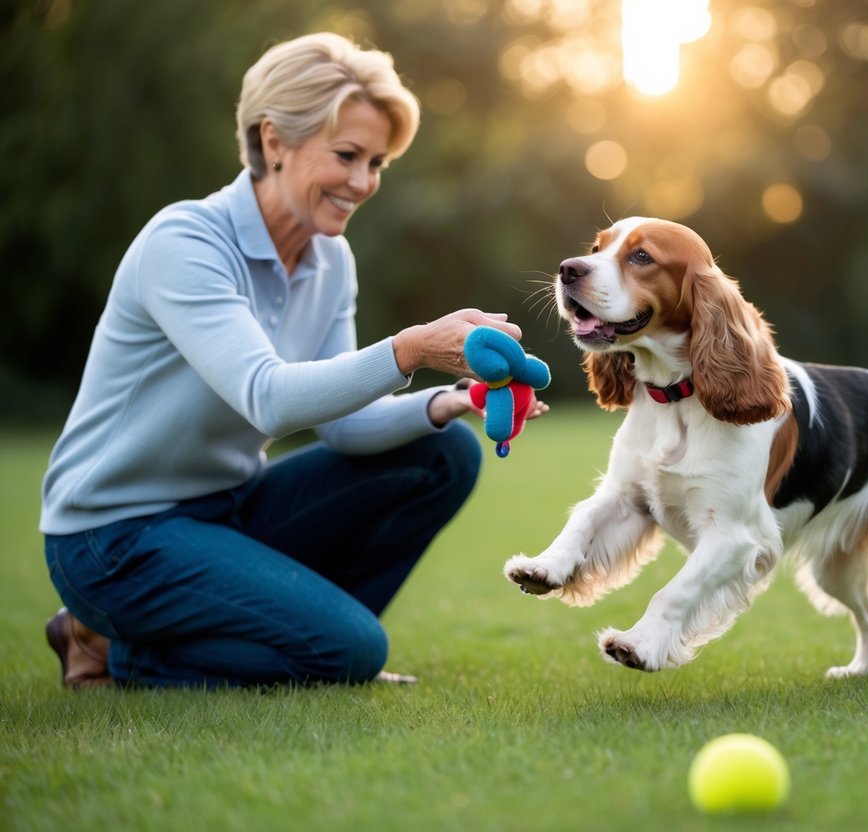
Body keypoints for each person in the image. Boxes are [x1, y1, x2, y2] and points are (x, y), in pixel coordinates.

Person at [39, 32, 545, 689]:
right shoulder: (185, 242)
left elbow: (345, 427)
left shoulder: (329, 259)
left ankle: (323, 651)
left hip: (226, 509)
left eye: (378, 163)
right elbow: (268, 397)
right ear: (274, 141)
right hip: (112, 539)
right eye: (347, 155)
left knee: (443, 454)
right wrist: (413, 348)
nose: (363, 182)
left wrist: (448, 402)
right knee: (351, 650)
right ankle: (106, 644)